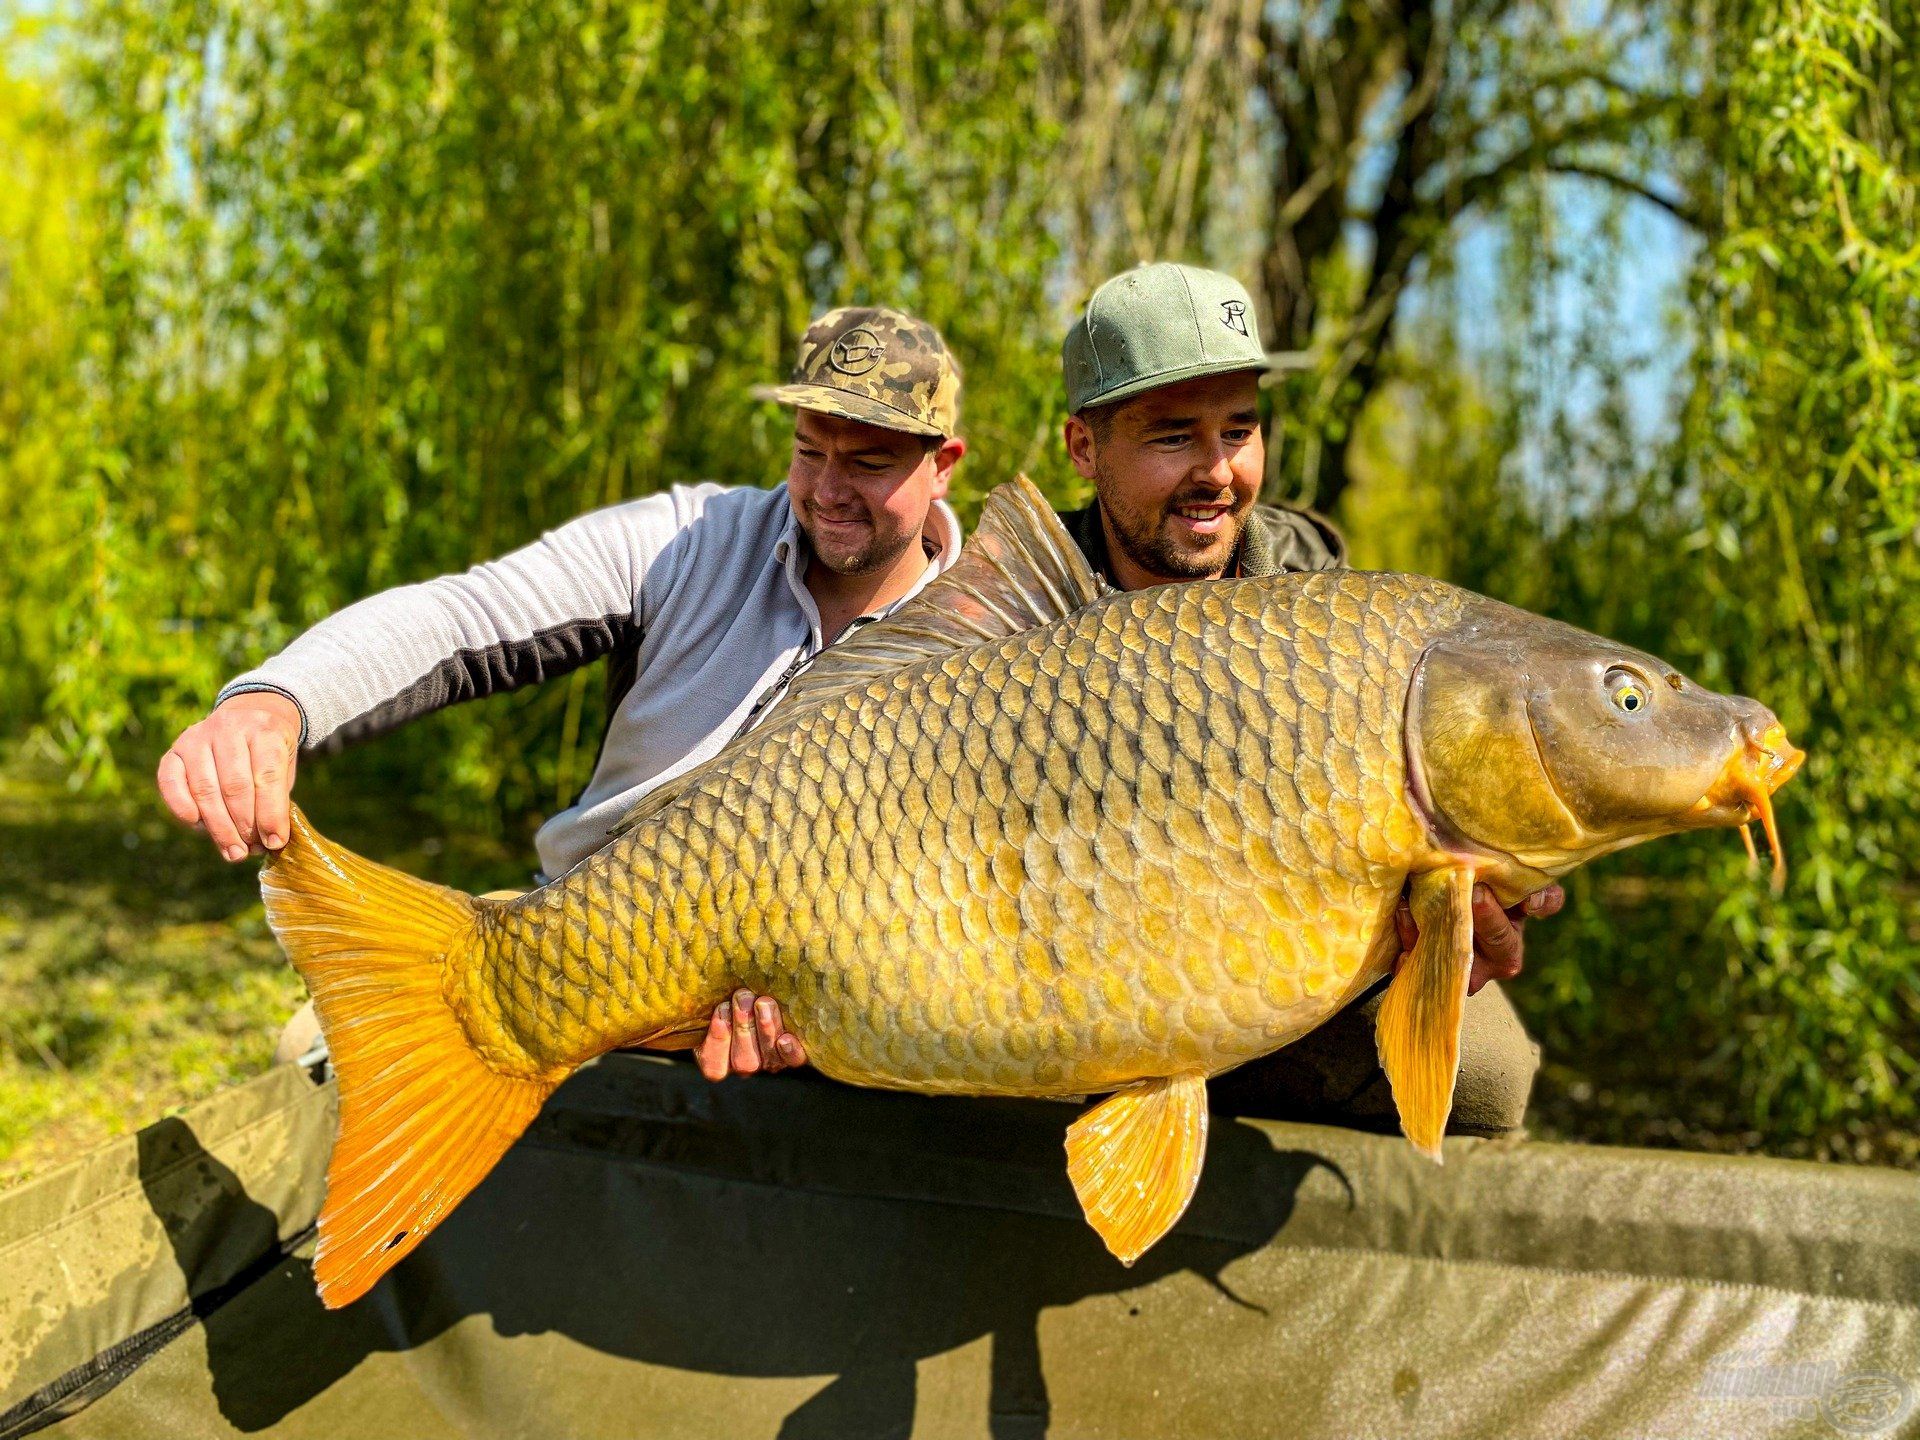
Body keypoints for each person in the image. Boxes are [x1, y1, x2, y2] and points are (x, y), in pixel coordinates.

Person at [709, 264, 1564, 1139]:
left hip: (1259, 962)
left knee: (1488, 1076)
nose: (1217, 471)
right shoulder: (1008, 612)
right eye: (1171, 438)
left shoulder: (1326, 617)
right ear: (1084, 449)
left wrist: (1444, 923)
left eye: (1239, 429)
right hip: (1015, 944)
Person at [158, 306, 968, 1075]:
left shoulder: (992, 640)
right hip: (575, 935)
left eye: (867, 463)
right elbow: (459, 617)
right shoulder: (691, 540)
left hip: (827, 1008)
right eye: (807, 450)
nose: (827, 489)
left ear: (943, 466)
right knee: (312, 1054)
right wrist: (274, 701)